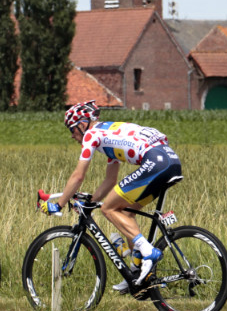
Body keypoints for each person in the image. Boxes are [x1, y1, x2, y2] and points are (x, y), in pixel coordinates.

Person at [39, 100, 182, 292]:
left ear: (82, 124)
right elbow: (110, 181)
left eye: (72, 130)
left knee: (108, 208)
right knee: (125, 213)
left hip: (156, 161)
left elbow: (78, 175)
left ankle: (148, 252)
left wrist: (59, 204)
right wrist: (90, 202)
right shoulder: (109, 135)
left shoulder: (92, 134)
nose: (72, 136)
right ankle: (136, 272)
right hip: (169, 160)